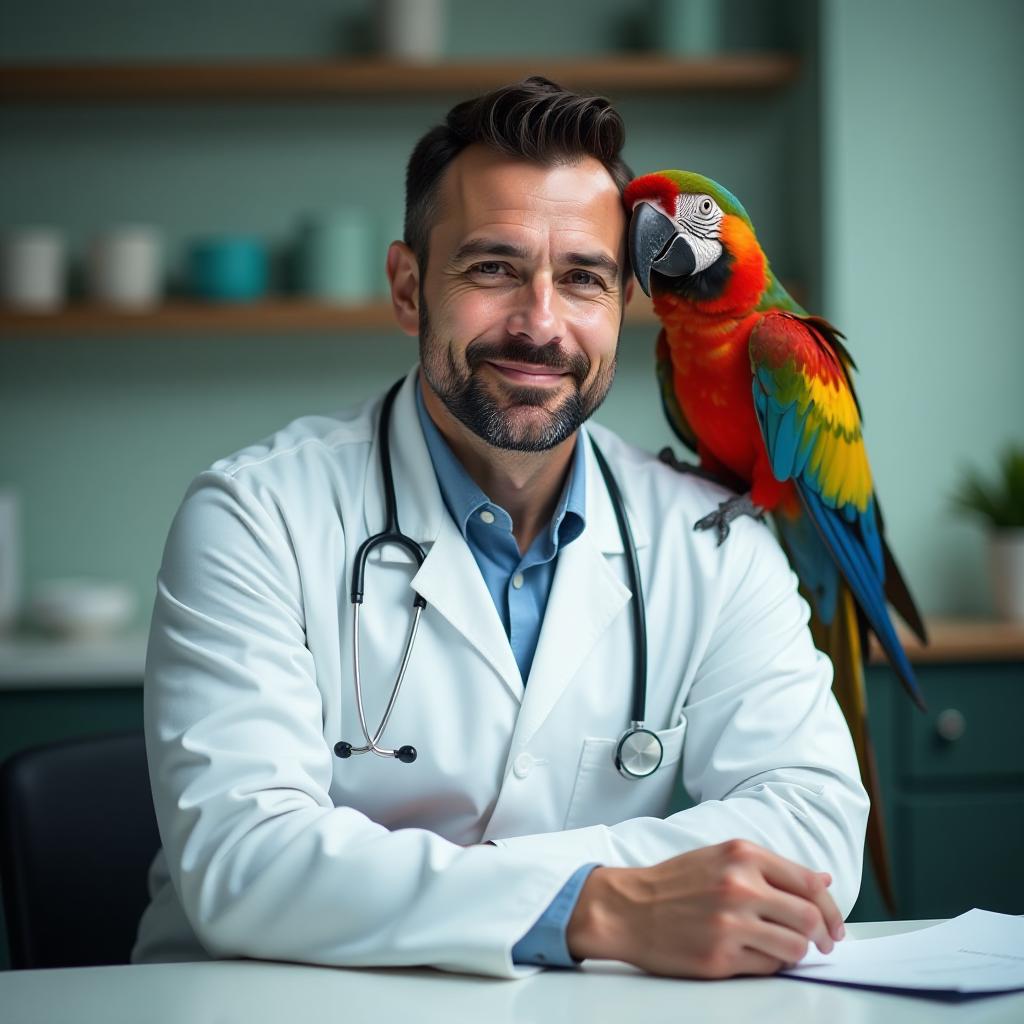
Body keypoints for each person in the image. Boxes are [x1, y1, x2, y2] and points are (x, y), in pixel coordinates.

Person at [132, 76, 867, 979]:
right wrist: (593, 905)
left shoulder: (713, 541)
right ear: (409, 290)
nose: (541, 324)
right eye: (493, 268)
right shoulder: (254, 519)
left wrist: (439, 890)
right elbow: (244, 862)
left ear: (622, 306)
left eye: (585, 279)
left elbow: (813, 823)